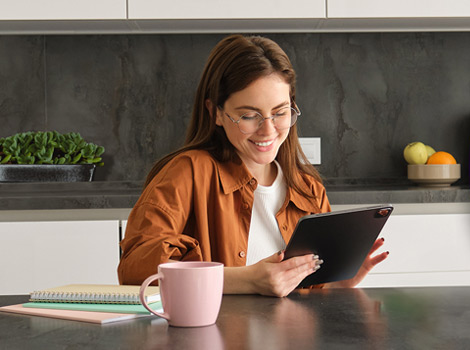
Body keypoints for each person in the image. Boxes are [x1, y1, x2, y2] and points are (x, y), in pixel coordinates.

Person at [117, 35, 389, 297]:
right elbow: (135, 269)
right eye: (249, 116)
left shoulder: (309, 191)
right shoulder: (188, 173)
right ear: (216, 114)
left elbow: (310, 299)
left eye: (280, 112)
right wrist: (245, 279)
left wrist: (338, 286)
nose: (268, 130)